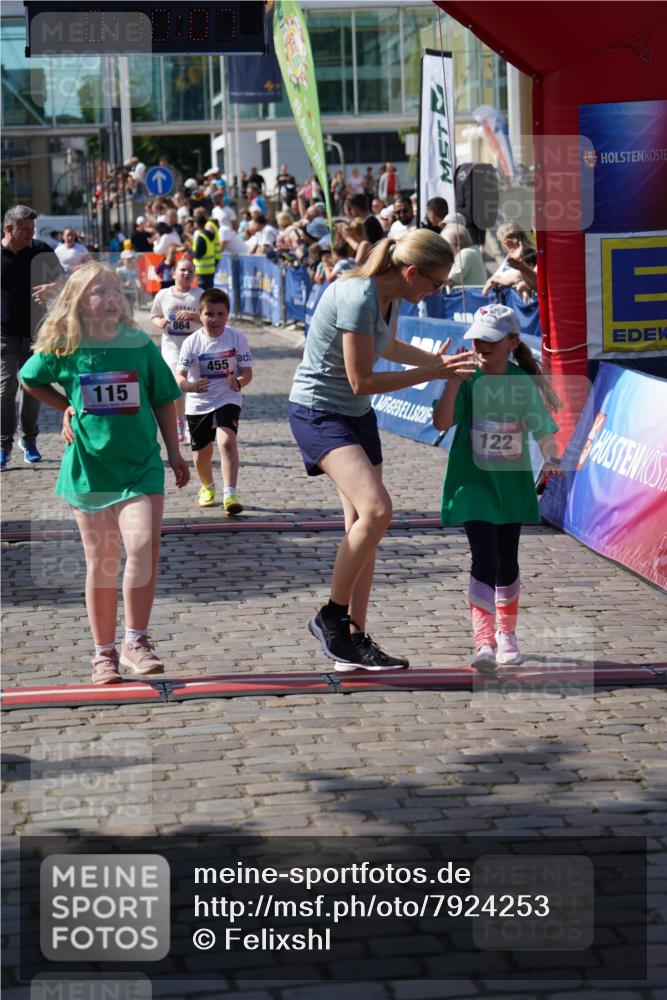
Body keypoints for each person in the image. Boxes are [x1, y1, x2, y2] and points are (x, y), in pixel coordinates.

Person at [288, 229, 477, 671]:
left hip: (355, 415)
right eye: (435, 283)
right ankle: (331, 616)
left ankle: (351, 639)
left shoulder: (387, 299)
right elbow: (362, 380)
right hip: (319, 412)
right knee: (376, 511)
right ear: (412, 273)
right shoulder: (356, 296)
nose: (437, 292)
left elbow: (387, 346)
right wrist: (432, 370)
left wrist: (436, 365)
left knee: (363, 525)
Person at [19, 262, 189, 684]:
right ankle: (104, 653)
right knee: (103, 563)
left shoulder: (138, 343)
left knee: (144, 546)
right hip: (91, 470)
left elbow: (164, 397)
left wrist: (175, 451)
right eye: (98, 291)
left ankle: (136, 640)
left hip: (141, 466)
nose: (110, 297)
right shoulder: (66, 343)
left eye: (114, 290)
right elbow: (29, 378)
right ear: (78, 301)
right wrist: (65, 407)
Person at [433, 303, 563, 673]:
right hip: (472, 482)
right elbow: (441, 420)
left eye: (489, 339)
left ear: (511, 341)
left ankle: (507, 634)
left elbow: (542, 427)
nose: (479, 345)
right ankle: (484, 639)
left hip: (510, 484)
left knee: (507, 561)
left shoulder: (522, 380)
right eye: (476, 338)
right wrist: (452, 380)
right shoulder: (467, 376)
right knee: (485, 559)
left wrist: (551, 459)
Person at [176, 288, 253, 514]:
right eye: (209, 314)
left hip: (227, 396)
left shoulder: (237, 337)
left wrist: (237, 383)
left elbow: (247, 373)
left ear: (227, 315)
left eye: (220, 314)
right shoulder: (192, 343)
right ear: (200, 316)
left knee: (226, 440)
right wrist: (191, 386)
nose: (215, 319)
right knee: (202, 454)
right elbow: (179, 377)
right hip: (198, 401)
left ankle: (230, 494)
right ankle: (207, 486)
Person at [1, 204, 63, 468]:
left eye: (33, 229)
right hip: (4, 333)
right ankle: (3, 444)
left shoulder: (41, 251)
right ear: (8, 229)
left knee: (34, 387)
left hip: (38, 333)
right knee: (5, 388)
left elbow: (66, 281)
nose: (31, 234)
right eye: (25, 230)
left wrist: (53, 287)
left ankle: (29, 439)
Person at [150, 257, 203, 442]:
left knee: (192, 382)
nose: (186, 274)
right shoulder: (163, 294)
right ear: (173, 273)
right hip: (172, 344)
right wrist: (161, 322)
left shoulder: (200, 295)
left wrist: (194, 316)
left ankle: (189, 422)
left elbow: (210, 319)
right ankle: (179, 422)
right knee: (179, 383)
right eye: (182, 270)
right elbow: (154, 316)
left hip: (194, 344)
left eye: (190, 271)